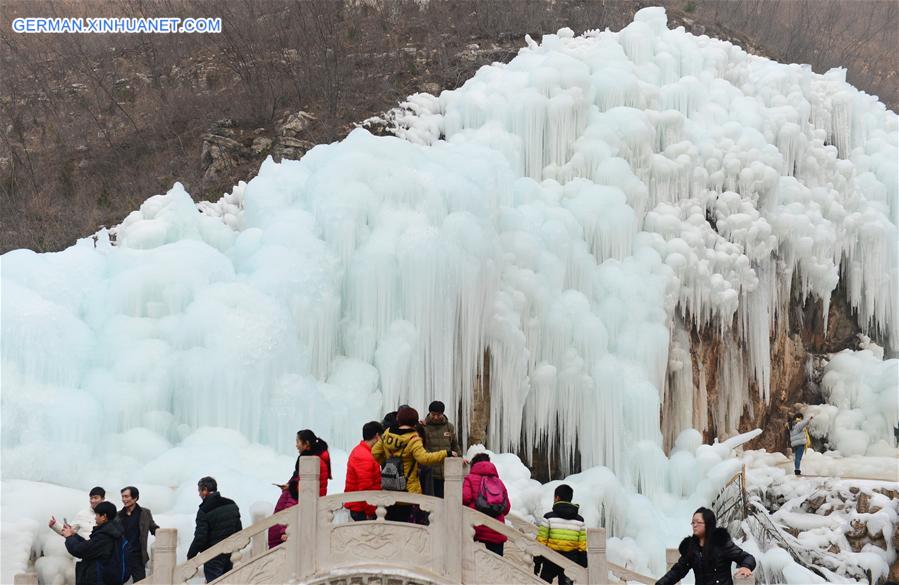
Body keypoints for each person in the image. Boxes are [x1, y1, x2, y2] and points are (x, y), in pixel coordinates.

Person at [372, 406, 453, 522]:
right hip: (408, 489)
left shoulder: (387, 434)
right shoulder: (413, 438)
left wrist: (388, 465)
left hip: (388, 486)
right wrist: (446, 453)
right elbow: (424, 458)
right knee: (407, 525)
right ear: (414, 422)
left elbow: (375, 452)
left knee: (391, 522)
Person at [656, 507, 755, 585]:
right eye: (693, 522)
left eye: (698, 522)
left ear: (708, 524)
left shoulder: (721, 543)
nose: (694, 525)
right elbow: (678, 571)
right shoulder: (691, 548)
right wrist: (660, 583)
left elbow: (747, 557)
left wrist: (746, 567)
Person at [268, 429, 332, 548]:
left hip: (304, 502)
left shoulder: (314, 461)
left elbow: (307, 488)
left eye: (298, 441)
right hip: (298, 498)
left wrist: (287, 531)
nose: (296, 445)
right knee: (276, 527)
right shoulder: (307, 458)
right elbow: (299, 480)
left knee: (281, 524)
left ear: (306, 443)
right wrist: (290, 485)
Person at [186, 476, 242, 582]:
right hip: (230, 553)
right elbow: (238, 529)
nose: (199, 494)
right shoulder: (231, 503)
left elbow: (200, 538)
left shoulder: (204, 510)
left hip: (213, 556)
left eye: (199, 491)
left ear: (205, 490)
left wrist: (190, 555)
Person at [534, 484, 587, 584]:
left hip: (550, 560)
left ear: (557, 498)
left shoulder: (549, 517)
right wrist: (582, 564)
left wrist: (537, 561)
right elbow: (582, 545)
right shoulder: (580, 520)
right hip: (570, 562)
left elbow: (541, 541)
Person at [63, 501, 124, 585]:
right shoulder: (112, 531)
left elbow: (79, 550)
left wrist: (69, 537)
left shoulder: (104, 536)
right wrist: (74, 535)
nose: (95, 518)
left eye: (97, 515)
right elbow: (90, 546)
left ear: (104, 517)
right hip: (107, 576)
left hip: (99, 578)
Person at [462, 453, 510, 556]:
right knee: (496, 567)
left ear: (474, 465)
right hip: (497, 532)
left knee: (474, 566)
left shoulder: (469, 479)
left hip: (476, 531)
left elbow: (465, 498)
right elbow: (506, 509)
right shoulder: (499, 482)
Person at [117, 486, 158, 582]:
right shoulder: (117, 515)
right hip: (122, 555)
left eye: (126, 496)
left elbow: (153, 527)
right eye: (122, 497)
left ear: (135, 498)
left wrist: (162, 534)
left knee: (140, 582)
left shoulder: (145, 513)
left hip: (138, 556)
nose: (124, 499)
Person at [345, 421, 384, 521]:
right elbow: (365, 487)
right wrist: (370, 511)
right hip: (361, 509)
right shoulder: (364, 456)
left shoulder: (362, 451)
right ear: (377, 436)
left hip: (361, 506)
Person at [422, 400, 461, 498]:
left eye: (438, 415)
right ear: (429, 413)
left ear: (442, 414)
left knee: (445, 500)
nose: (435, 417)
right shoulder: (423, 427)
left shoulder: (449, 427)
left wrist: (460, 459)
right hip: (429, 472)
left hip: (446, 472)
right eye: (433, 414)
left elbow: (455, 445)